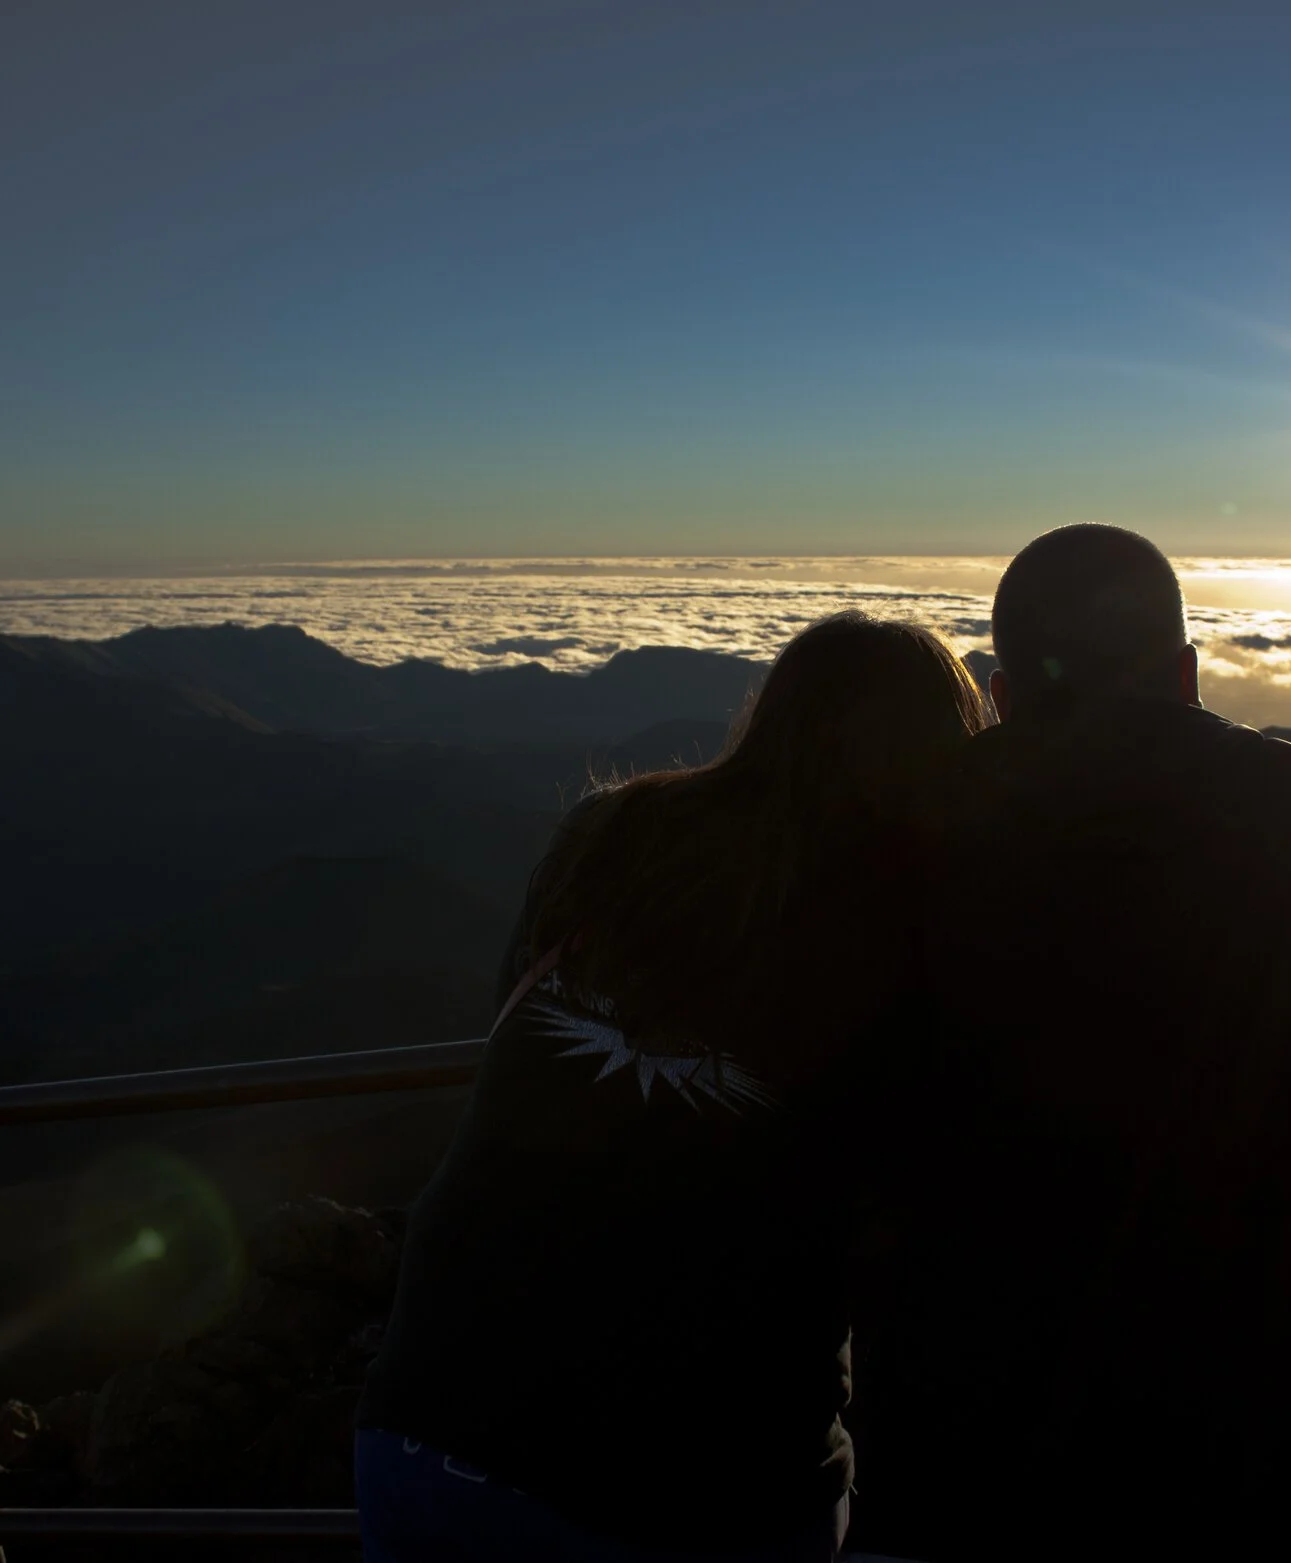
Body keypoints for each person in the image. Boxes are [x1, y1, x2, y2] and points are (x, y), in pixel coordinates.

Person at [851, 526, 1291, 1558]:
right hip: (1286, 1444)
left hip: (985, 1448)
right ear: (1187, 674)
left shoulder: (900, 836)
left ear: (1003, 694)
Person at [354, 611, 988, 1563]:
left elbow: (512, 1026)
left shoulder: (615, 831)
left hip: (424, 1428)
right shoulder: (930, 929)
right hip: (695, 1484)